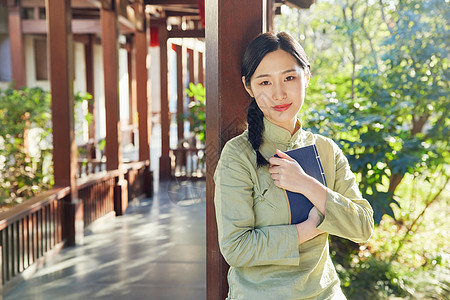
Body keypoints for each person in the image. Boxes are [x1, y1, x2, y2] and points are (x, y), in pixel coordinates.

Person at [213, 32, 374, 300]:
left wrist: (308, 185)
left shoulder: (326, 150)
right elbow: (236, 248)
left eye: (289, 77)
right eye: (265, 82)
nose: (279, 93)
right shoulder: (238, 156)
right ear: (249, 87)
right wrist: (309, 229)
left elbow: (362, 227)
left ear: (307, 76)